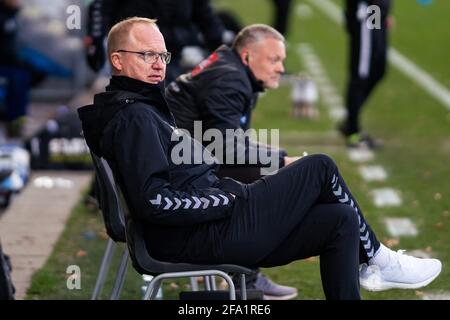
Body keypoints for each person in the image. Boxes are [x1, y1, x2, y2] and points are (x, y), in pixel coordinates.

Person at [78, 17, 442, 300]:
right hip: (203, 232)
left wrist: (227, 188)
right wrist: (229, 197)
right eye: (146, 55)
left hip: (210, 223)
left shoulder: (140, 107)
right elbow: (153, 202)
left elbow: (194, 162)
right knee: (319, 166)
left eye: (161, 55)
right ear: (118, 61)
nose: (158, 64)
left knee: (340, 219)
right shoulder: (135, 117)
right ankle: (379, 259)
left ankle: (375, 264)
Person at [165, 24, 300, 298]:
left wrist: (279, 156)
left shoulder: (230, 67)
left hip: (179, 167)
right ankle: (246, 277)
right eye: (274, 60)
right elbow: (225, 148)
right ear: (248, 56)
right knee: (262, 180)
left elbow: (229, 143)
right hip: (177, 183)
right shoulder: (230, 79)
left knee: (270, 166)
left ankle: (246, 274)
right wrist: (280, 160)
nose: (281, 68)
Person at [338, 0, 391, 149]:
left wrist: (385, 12)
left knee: (378, 69)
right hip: (366, 11)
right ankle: (353, 132)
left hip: (376, 11)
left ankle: (349, 122)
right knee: (361, 73)